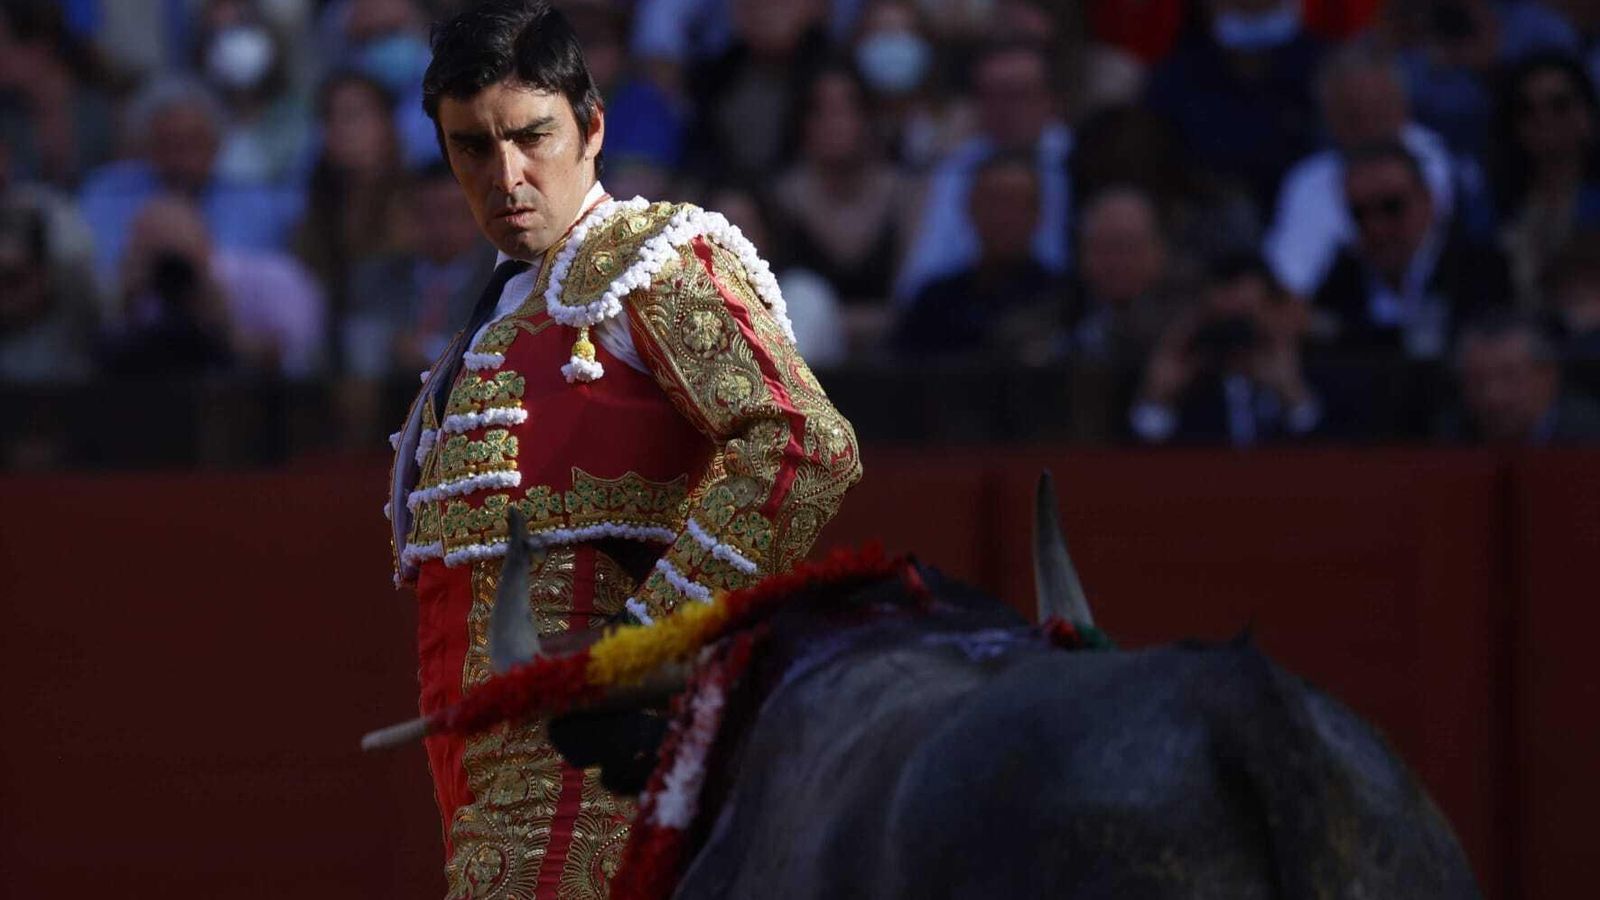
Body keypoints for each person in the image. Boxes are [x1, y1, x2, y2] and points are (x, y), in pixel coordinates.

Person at [384, 3, 862, 896]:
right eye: (472, 149)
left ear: (593, 126)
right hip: (483, 767)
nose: (507, 176)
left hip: (596, 760)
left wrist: (647, 647)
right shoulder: (497, 305)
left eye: (533, 137)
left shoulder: (650, 261)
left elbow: (805, 442)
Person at [1263, 45, 1459, 299]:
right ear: (1327, 118)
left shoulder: (1442, 161)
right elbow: (1288, 281)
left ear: (1402, 104)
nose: (1369, 127)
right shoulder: (1307, 183)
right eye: (1352, 115)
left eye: (1378, 110)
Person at [1312, 141, 1511, 360]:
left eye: (1391, 206)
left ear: (1428, 200)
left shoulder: (1482, 270)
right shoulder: (1341, 279)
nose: (1375, 227)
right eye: (1359, 213)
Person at [1129, 253, 1324, 446]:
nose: (1234, 334)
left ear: (1272, 310)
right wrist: (1158, 397)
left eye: (1245, 317)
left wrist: (1293, 395)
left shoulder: (1317, 370)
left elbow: (1332, 458)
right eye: (1222, 317)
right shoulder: (1181, 375)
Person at [1435, 310, 1600, 443]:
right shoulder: (1450, 436)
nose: (1493, 397)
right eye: (1477, 381)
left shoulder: (1591, 435)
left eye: (1509, 377)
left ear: (1549, 375)